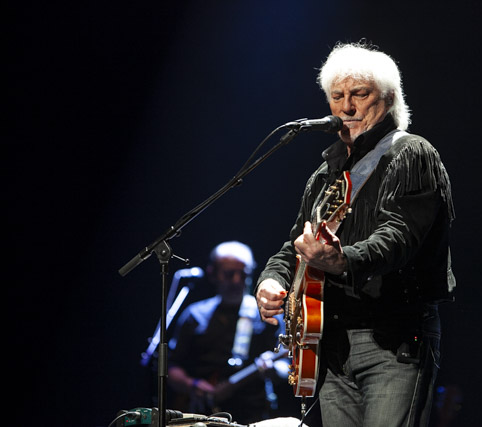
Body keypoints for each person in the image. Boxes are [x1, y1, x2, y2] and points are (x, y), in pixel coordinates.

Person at [254, 42, 456, 427]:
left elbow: (398, 237)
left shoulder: (411, 153)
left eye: (359, 95)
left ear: (389, 98)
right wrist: (271, 280)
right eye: (337, 97)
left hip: (392, 341)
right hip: (329, 344)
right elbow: (294, 245)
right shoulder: (325, 174)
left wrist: (342, 260)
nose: (346, 107)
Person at [167, 241, 288, 424]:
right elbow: (172, 366)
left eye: (244, 274)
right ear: (213, 273)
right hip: (200, 413)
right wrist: (193, 386)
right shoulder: (195, 315)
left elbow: (287, 364)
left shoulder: (267, 314)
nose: (237, 281)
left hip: (252, 414)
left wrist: (273, 369)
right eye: (229, 274)